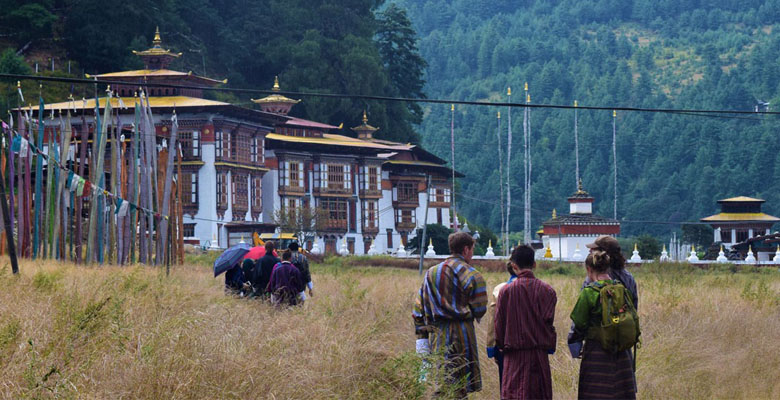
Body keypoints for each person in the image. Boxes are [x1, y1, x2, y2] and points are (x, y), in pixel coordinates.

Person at [412, 231, 487, 397]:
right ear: (466, 249)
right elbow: (480, 308)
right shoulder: (473, 274)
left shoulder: (431, 273)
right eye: (472, 249)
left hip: (438, 333)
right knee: (461, 382)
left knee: (442, 378)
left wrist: (422, 334)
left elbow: (418, 308)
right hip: (463, 334)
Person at [569, 251, 636, 400]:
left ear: (588, 269)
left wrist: (575, 347)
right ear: (608, 268)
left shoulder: (589, 293)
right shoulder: (622, 290)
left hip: (596, 352)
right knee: (620, 392)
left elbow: (578, 324)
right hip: (622, 353)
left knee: (595, 393)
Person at [494, 244, 557, 400]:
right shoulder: (548, 291)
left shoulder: (506, 291)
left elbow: (499, 327)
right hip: (539, 357)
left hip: (514, 357)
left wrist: (501, 347)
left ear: (514, 266)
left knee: (514, 395)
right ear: (534, 264)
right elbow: (549, 326)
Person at [485, 255, 518, 388]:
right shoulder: (540, 288)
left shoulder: (500, 289)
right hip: (532, 347)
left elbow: (493, 321)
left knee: (506, 386)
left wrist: (491, 347)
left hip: (504, 345)